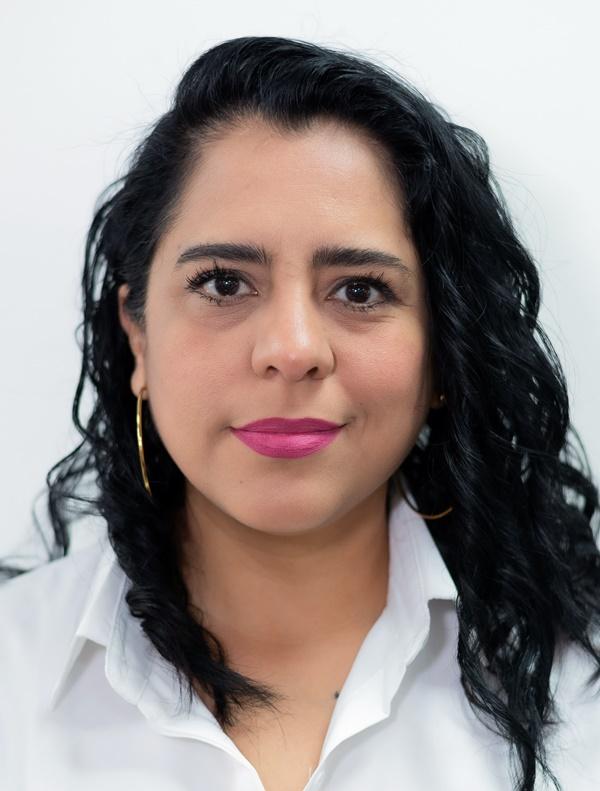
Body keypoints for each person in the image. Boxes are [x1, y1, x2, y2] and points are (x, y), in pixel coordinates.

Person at [1, 35, 599, 791]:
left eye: (360, 290)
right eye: (223, 283)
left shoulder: (583, 693)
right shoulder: (14, 668)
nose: (291, 350)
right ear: (138, 338)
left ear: (444, 352)